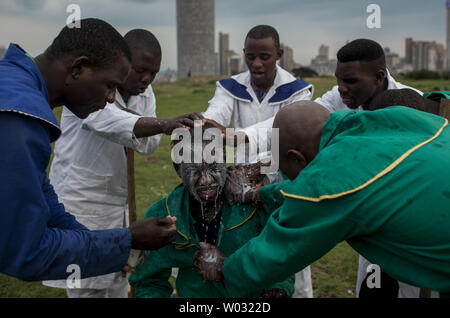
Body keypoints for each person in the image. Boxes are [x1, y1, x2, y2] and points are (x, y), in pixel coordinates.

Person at [194, 101, 450, 297]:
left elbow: (278, 251)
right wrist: (260, 193)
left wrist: (224, 268)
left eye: (285, 169)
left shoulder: (331, 181)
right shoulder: (391, 120)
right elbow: (317, 191)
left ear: (297, 158)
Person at [0, 19, 180, 282]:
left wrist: (109, 247)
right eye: (109, 86)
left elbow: (43, 193)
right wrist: (127, 239)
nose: (110, 98)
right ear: (79, 68)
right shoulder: (19, 120)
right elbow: (25, 252)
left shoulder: (16, 82)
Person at [41, 29, 201, 298]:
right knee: (86, 284)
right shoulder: (87, 87)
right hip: (81, 197)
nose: (146, 79)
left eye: (153, 73)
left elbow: (148, 145)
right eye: (140, 70)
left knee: (117, 277)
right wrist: (161, 125)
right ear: (123, 62)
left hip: (117, 201)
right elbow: (103, 121)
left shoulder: (145, 94)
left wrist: (158, 127)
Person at [202, 24, 313, 298]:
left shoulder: (298, 91)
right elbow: (216, 114)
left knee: (289, 259)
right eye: (250, 56)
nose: (256, 63)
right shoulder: (230, 86)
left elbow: (283, 132)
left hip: (281, 185)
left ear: (279, 54)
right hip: (238, 189)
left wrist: (239, 143)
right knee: (243, 248)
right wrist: (206, 125)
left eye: (265, 56)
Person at [314, 39, 426, 298]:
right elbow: (300, 120)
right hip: (371, 225)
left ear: (378, 76)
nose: (341, 89)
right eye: (338, 80)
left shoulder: (417, 105)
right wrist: (240, 136)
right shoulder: (339, 97)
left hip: (411, 229)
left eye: (350, 81)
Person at [128, 123, 294, 298]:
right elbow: (148, 281)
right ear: (178, 170)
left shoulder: (255, 202)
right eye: (195, 171)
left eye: (214, 166)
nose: (206, 180)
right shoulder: (163, 215)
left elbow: (281, 256)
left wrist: (278, 291)